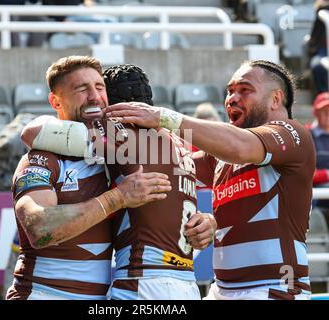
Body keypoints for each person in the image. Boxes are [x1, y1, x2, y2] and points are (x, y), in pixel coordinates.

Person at [104, 60, 316, 300]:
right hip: (221, 290)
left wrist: (163, 117)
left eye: (244, 90)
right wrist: (210, 222)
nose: (232, 98)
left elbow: (239, 146)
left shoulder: (292, 132)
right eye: (229, 91)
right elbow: (172, 167)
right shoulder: (222, 155)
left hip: (275, 288)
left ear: (276, 99)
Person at [20, 63, 217, 300]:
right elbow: (40, 227)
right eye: (83, 89)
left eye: (99, 88)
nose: (95, 99)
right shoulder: (176, 144)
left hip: (143, 283)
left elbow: (31, 132)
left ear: (113, 105)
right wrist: (208, 221)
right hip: (184, 283)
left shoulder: (116, 136)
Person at [311, 92, 329, 226]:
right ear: (315, 113)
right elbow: (306, 173)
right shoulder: (306, 136)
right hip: (316, 193)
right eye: (324, 110)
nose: (328, 115)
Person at [308, 0, 329, 93]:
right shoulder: (323, 11)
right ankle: (325, 99)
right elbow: (314, 38)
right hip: (324, 50)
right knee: (318, 66)